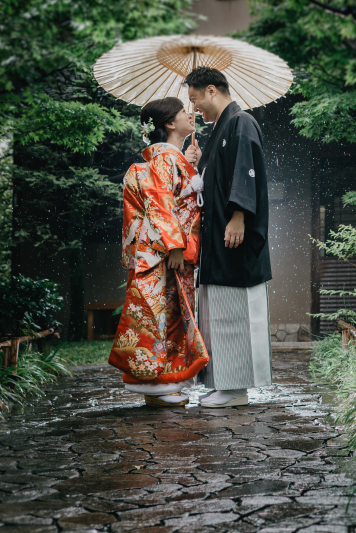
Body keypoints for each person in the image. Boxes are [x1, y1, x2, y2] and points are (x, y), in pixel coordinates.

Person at [108, 97, 209, 407]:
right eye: (183, 112)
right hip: (168, 252)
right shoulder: (165, 158)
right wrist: (175, 245)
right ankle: (161, 384)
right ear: (169, 123)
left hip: (163, 250)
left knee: (167, 317)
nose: (190, 115)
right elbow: (160, 203)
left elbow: (173, 196)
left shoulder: (167, 156)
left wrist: (190, 164)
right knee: (165, 318)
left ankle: (163, 384)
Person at [183, 66, 273, 408]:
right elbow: (214, 182)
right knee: (218, 310)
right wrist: (198, 163)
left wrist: (238, 216)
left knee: (234, 311)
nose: (195, 110)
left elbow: (246, 172)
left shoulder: (242, 122)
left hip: (234, 235)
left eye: (195, 101)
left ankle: (235, 387)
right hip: (218, 240)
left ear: (211, 90)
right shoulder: (220, 129)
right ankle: (224, 381)